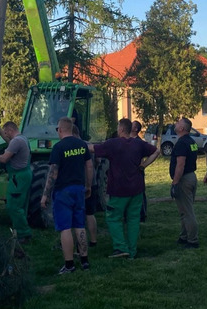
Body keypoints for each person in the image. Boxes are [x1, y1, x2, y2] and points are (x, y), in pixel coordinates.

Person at [90, 118, 160, 258]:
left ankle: (121, 247)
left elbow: (92, 149)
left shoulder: (113, 144)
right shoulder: (138, 144)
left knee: (113, 218)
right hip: (137, 188)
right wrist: (144, 165)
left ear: (121, 129)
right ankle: (132, 250)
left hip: (119, 189)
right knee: (133, 219)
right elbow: (156, 151)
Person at [41, 116, 92, 274]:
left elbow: (53, 173)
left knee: (65, 228)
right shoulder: (82, 145)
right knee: (79, 225)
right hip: (79, 189)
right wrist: (88, 186)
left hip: (63, 191)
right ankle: (84, 261)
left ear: (61, 130)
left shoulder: (59, 147)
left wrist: (45, 195)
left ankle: (69, 265)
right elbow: (89, 166)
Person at [0, 121, 32, 243]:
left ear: (11, 130)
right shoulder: (22, 139)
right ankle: (23, 231)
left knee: (13, 206)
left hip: (18, 177)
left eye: (7, 133)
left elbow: (4, 159)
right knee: (21, 205)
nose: (7, 135)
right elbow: (9, 142)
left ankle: (23, 234)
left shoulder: (16, 141)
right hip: (24, 174)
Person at [169, 116, 200, 248]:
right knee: (184, 210)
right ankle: (184, 236)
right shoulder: (191, 141)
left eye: (178, 123)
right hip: (192, 176)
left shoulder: (181, 143)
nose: (175, 124)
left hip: (184, 179)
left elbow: (180, 165)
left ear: (182, 128)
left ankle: (192, 240)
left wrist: (175, 183)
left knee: (187, 211)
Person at [74, 114, 99, 247]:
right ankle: (93, 240)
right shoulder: (89, 145)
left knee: (78, 214)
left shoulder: (73, 147)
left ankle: (79, 243)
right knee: (90, 213)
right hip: (93, 182)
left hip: (80, 183)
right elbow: (97, 161)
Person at [132, 120, 149, 223]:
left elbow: (144, 156)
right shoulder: (126, 140)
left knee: (140, 193)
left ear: (135, 129)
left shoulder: (139, 142)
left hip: (138, 171)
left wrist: (142, 166)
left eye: (132, 125)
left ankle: (142, 215)